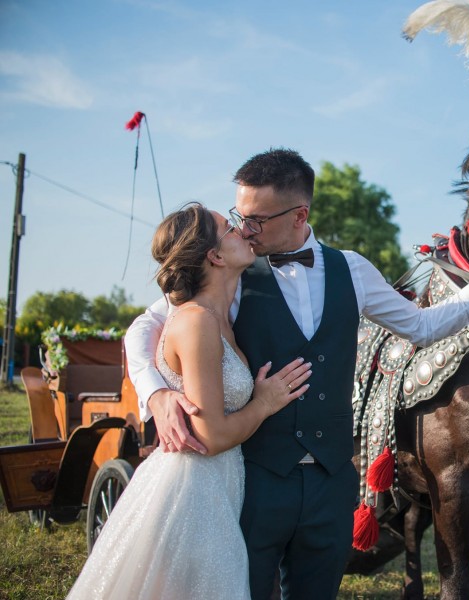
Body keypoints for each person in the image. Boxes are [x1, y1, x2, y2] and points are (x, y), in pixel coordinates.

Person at [125, 148, 469, 599]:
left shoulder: (351, 269)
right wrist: (156, 392)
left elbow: (422, 326)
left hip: (332, 486)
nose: (243, 228)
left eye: (256, 219)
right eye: (239, 216)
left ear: (300, 214)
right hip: (256, 482)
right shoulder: (226, 273)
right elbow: (146, 327)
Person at [68, 203, 312, 599]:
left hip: (219, 486)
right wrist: (265, 403)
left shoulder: (220, 318)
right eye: (230, 228)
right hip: (192, 493)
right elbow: (211, 435)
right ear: (215, 256)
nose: (244, 232)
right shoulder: (196, 319)